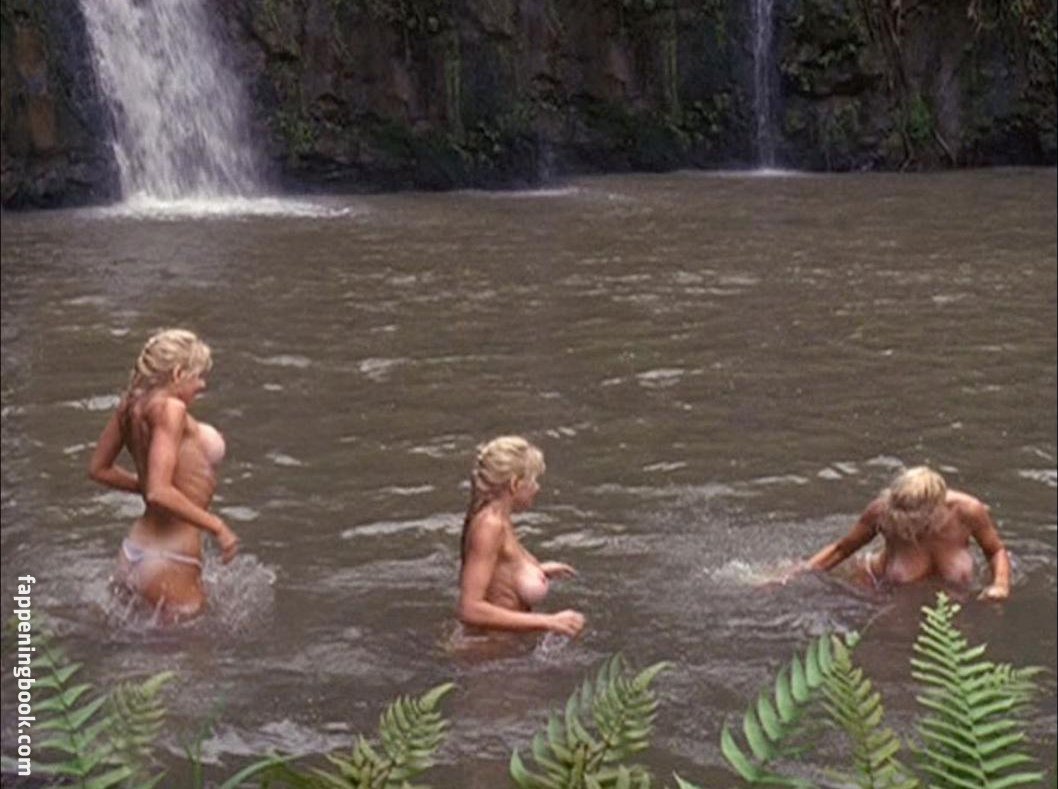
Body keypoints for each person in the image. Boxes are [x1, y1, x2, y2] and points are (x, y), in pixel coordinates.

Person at [88, 328, 239, 620]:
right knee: (193, 645)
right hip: (170, 556)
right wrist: (217, 526)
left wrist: (144, 485)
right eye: (198, 376)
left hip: (135, 548)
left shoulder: (129, 406)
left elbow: (99, 470)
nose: (202, 384)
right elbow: (159, 491)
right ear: (178, 373)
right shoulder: (171, 409)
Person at [800, 466, 1011, 600]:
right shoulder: (882, 511)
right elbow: (842, 549)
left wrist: (1000, 585)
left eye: (910, 516)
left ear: (935, 507)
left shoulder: (968, 511)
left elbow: (995, 550)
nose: (901, 520)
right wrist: (801, 573)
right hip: (887, 592)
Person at [457, 436, 586, 636]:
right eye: (533, 481)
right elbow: (470, 608)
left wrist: (536, 571)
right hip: (488, 650)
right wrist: (549, 621)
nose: (537, 488)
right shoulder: (490, 526)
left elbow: (498, 574)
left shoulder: (499, 520)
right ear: (515, 484)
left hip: (505, 647)